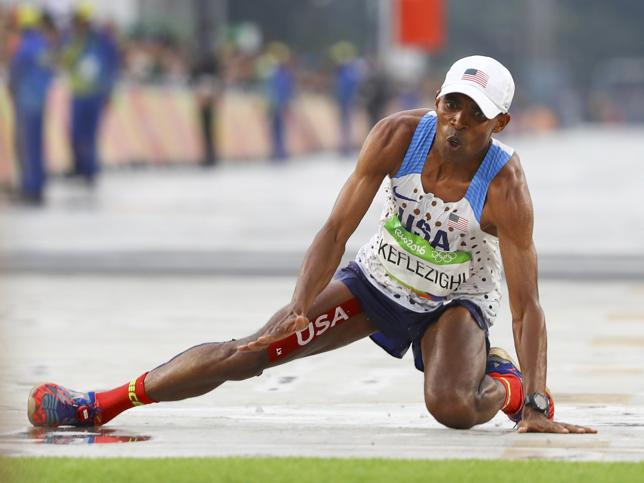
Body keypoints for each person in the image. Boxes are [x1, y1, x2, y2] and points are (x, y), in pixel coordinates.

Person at [28, 56, 595, 434]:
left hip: (453, 304)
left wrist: (540, 403)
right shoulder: (399, 135)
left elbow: (527, 305)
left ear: (500, 123)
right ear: (436, 100)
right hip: (378, 282)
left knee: (451, 407)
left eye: (474, 115)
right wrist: (301, 303)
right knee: (248, 353)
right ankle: (98, 405)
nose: (456, 122)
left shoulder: (505, 188)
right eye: (451, 104)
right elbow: (335, 228)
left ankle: (507, 385)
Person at [60, 3, 119, 185]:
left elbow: (112, 66)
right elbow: (64, 60)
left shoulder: (102, 41)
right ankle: (79, 167)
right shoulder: (73, 40)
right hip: (78, 94)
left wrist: (109, 91)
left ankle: (90, 171)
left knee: (90, 135)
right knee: (76, 133)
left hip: (95, 94)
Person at [8, 6, 56, 205]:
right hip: (40, 100)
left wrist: (13, 89)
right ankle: (38, 184)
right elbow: (51, 71)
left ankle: (31, 187)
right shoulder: (44, 45)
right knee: (37, 145)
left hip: (26, 101)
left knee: (28, 146)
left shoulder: (25, 46)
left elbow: (15, 73)